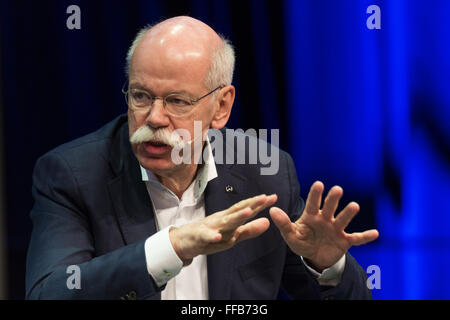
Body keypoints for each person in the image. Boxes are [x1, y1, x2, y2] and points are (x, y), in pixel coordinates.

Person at [25, 16, 379, 300]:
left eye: (177, 101)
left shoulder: (264, 173)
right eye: (141, 96)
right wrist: (173, 247)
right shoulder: (72, 174)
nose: (154, 118)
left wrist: (326, 264)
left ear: (221, 106)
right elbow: (49, 292)